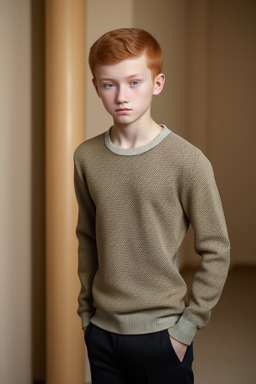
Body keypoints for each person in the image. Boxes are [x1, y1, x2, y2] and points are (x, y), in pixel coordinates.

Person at [74, 28, 230, 384]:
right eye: (109, 84)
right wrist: (86, 315)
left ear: (157, 83)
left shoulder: (188, 161)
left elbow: (216, 249)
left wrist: (187, 328)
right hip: (101, 332)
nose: (121, 96)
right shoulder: (86, 157)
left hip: (163, 335)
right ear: (97, 86)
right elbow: (88, 238)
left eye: (134, 82)